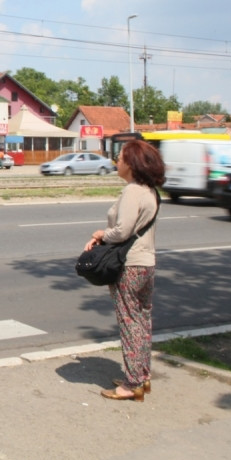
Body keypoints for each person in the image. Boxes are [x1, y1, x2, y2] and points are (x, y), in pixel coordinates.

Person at [83, 139, 164, 402]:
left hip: (129, 265)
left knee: (129, 323)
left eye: (121, 158)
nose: (117, 162)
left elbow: (122, 231)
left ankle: (131, 385)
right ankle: (142, 376)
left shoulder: (132, 191)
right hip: (146, 263)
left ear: (132, 164)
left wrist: (100, 233)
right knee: (142, 320)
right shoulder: (151, 191)